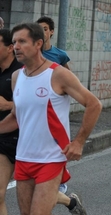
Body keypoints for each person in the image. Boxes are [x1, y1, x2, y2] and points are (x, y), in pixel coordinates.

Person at [4, 22, 102, 215]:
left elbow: (94, 104)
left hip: (51, 158)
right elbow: (15, 118)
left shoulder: (58, 74)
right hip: (24, 157)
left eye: (22, 41)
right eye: (14, 42)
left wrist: (79, 141)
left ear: (38, 44)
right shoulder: (17, 77)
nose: (16, 46)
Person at [37, 16, 71, 194]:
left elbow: (71, 79)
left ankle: (61, 179)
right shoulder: (31, 55)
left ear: (51, 31)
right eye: (38, 28)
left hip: (55, 105)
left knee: (56, 144)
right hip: (36, 104)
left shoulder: (59, 55)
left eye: (44, 28)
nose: (41, 32)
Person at [0, 28, 23, 215]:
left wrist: (6, 105)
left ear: (9, 48)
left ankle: (70, 201)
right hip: (3, 139)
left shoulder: (21, 73)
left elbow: (27, 106)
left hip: (27, 140)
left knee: (38, 199)